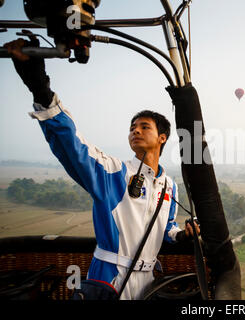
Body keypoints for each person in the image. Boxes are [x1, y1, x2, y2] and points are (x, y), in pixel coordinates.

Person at [4, 37, 200, 300]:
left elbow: (166, 231)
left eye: (144, 127)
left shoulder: (169, 186)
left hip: (150, 283)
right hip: (109, 278)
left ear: (162, 138)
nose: (136, 131)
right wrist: (40, 87)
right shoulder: (113, 172)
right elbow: (73, 147)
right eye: (132, 128)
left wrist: (183, 237)